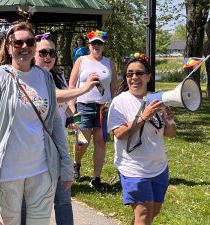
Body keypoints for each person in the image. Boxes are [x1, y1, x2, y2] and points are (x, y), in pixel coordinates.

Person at [0, 21, 73, 225]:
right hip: (7, 174)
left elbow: (54, 124)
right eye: (18, 43)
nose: (24, 47)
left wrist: (66, 163)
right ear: (9, 47)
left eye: (29, 42)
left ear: (34, 47)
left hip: (42, 170)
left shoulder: (44, 77)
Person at [32, 33, 98, 225]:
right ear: (33, 54)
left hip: (58, 146)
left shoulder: (57, 75)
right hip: (36, 149)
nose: (48, 57)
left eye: (52, 53)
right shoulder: (32, 78)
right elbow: (55, 96)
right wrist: (84, 89)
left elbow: (66, 104)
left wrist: (72, 118)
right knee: (34, 203)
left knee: (63, 199)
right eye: (43, 52)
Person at [107, 54, 176, 225]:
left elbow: (170, 134)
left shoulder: (157, 100)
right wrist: (143, 117)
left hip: (159, 167)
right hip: (133, 168)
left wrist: (169, 120)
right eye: (130, 74)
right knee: (144, 213)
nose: (134, 77)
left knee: (153, 211)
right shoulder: (119, 102)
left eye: (139, 73)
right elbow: (119, 134)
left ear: (148, 76)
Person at [68, 30, 118, 190]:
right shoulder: (81, 60)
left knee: (100, 142)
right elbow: (71, 84)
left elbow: (114, 86)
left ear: (103, 46)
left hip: (103, 108)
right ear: (89, 45)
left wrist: (116, 104)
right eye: (94, 43)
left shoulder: (109, 63)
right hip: (82, 106)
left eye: (99, 43)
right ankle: (77, 163)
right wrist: (72, 106)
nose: (96, 46)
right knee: (82, 141)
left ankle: (96, 177)